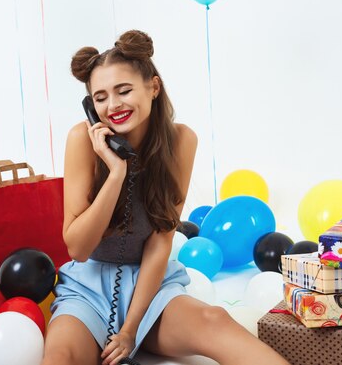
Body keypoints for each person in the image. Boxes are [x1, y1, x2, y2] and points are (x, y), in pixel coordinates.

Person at [41, 30, 289, 365]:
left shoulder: (181, 141)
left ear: (153, 87)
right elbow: (78, 248)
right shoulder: (82, 140)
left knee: (214, 321)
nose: (112, 105)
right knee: (59, 357)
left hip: (151, 286)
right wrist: (116, 173)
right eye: (99, 98)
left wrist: (130, 330)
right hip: (88, 289)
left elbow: (160, 241)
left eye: (123, 90)